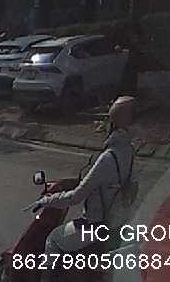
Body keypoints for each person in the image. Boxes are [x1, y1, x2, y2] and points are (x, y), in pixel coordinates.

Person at [40, 96, 137, 264]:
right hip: (117, 225)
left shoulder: (108, 158)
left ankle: (45, 276)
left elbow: (76, 197)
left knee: (53, 239)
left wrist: (47, 200)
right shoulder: (129, 151)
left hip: (95, 227)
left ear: (111, 124)